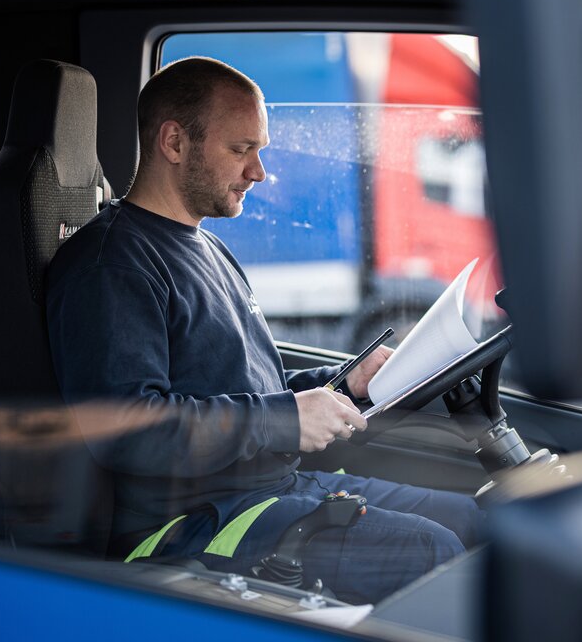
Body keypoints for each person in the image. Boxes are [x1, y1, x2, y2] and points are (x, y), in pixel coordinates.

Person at [46, 56, 482, 604]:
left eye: (261, 150)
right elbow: (128, 430)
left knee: (471, 519)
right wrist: (283, 419)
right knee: (431, 552)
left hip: (271, 487)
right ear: (175, 143)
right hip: (188, 523)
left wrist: (347, 383)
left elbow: (242, 381)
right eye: (240, 149)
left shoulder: (205, 245)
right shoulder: (111, 265)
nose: (259, 171)